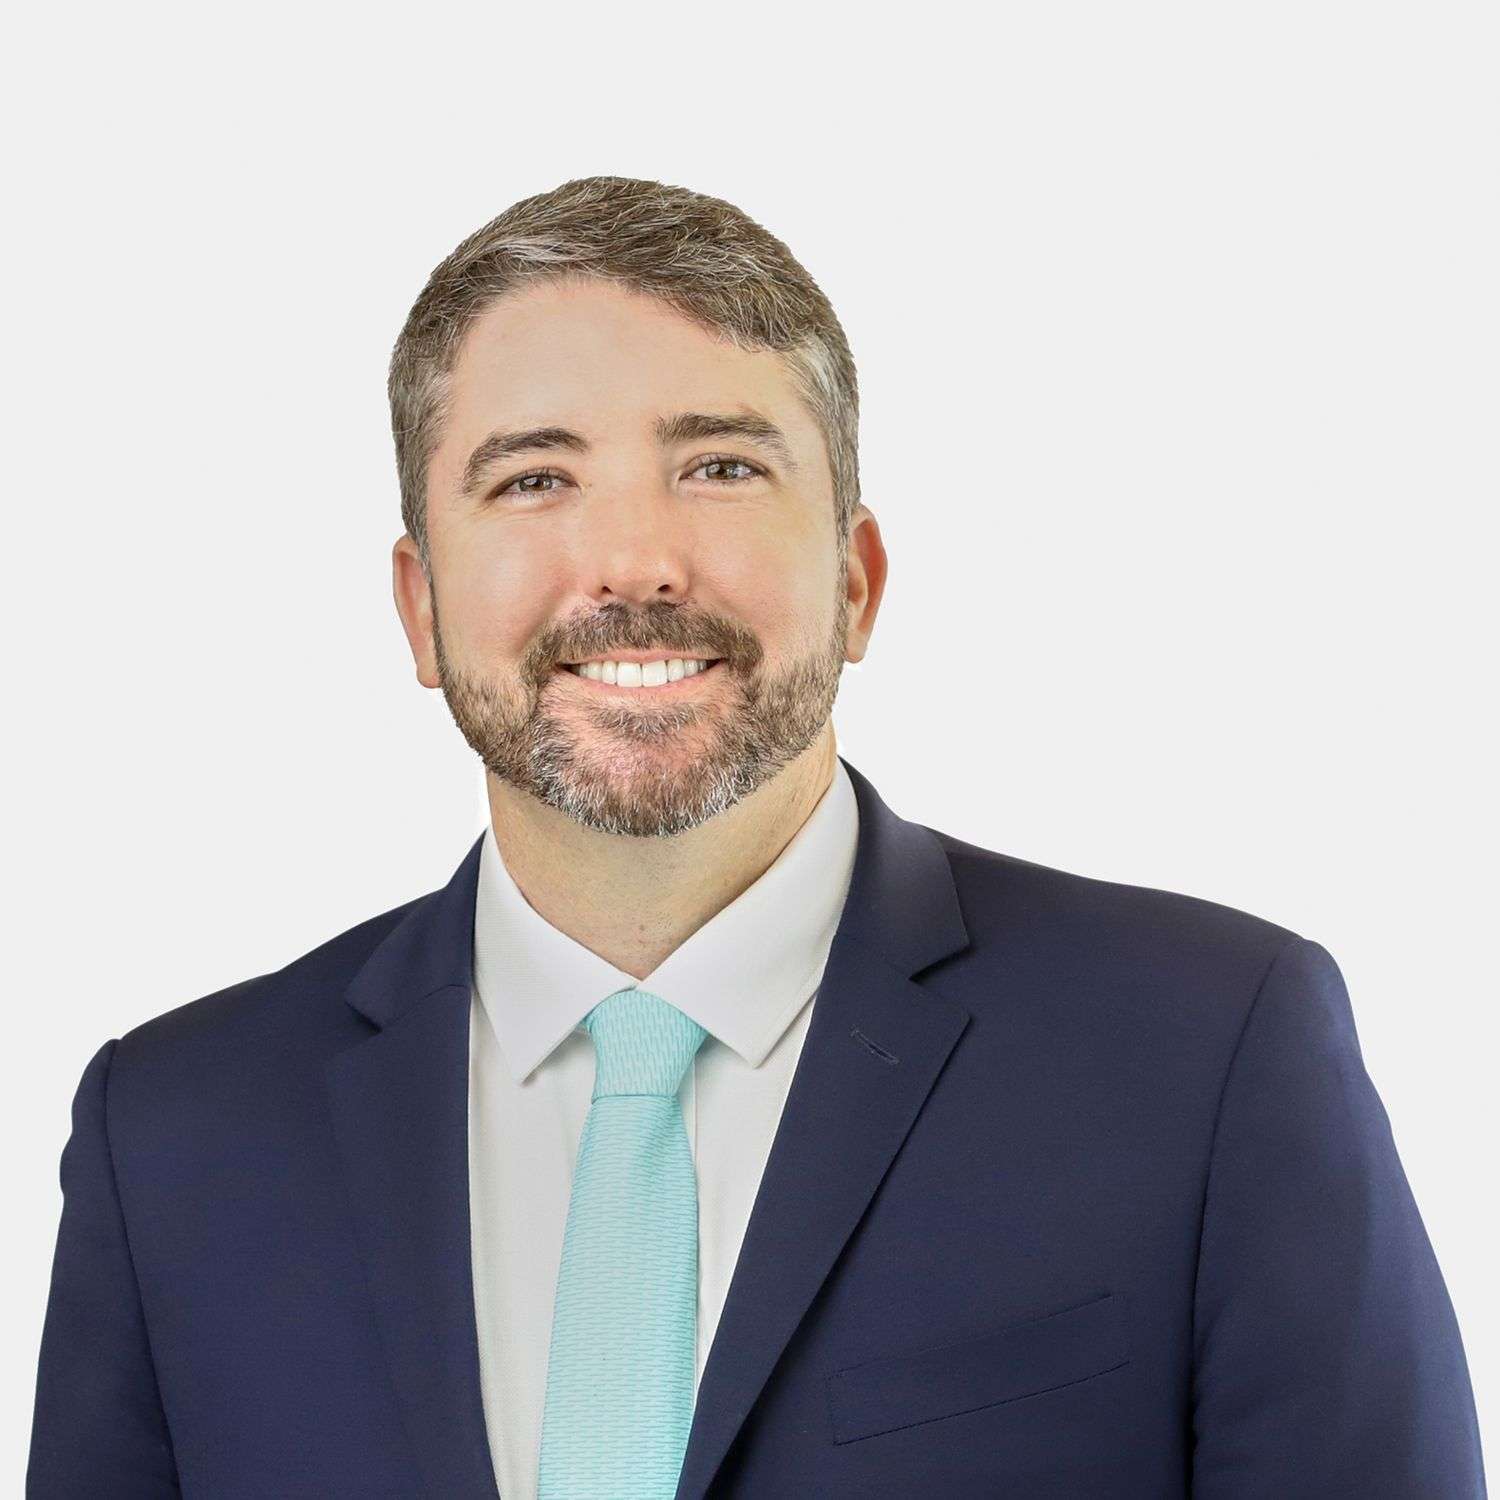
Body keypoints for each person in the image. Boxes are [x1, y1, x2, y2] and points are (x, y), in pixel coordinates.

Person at [27, 174, 1486, 1499]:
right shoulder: (174, 1140)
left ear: (857, 579)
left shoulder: (1211, 1052)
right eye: (533, 478)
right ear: (420, 608)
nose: (635, 562)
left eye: (720, 466)